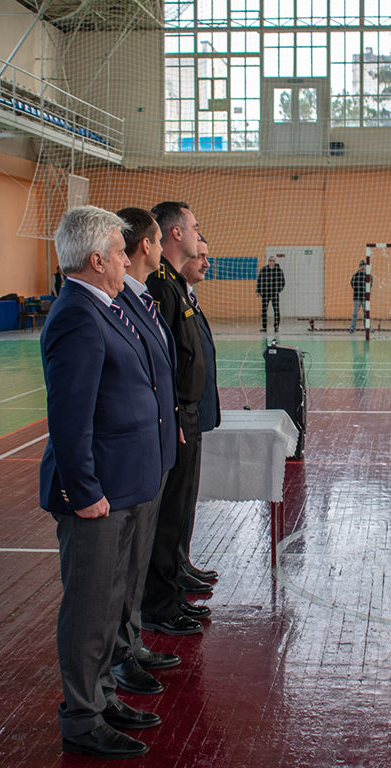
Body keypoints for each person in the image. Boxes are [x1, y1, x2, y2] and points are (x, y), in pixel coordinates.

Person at [38, 206, 171, 759]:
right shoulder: (77, 315)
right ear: (97, 260)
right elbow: (70, 417)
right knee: (90, 608)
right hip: (98, 490)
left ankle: (104, 694)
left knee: (112, 598)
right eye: (119, 251)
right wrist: (85, 491)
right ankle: (82, 716)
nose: (127, 258)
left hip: (124, 482)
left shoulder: (107, 308)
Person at [109, 207, 185, 690]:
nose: (161, 251)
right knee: (119, 566)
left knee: (136, 559)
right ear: (146, 247)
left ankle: (131, 642)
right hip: (130, 451)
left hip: (154, 443)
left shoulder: (142, 300)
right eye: (157, 242)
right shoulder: (123, 302)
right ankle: (118, 655)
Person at [141, 201, 212, 637]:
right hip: (175, 417)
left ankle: (173, 588)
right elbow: (162, 363)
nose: (198, 233)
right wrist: (171, 419)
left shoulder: (175, 284)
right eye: (194, 226)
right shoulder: (161, 286)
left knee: (180, 508)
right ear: (175, 234)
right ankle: (162, 605)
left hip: (188, 413)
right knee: (167, 516)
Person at [178, 235, 221, 584]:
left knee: (186, 497)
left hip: (195, 413)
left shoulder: (189, 297)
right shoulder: (171, 297)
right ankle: (173, 571)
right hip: (181, 416)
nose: (206, 263)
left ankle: (181, 561)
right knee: (176, 499)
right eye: (200, 256)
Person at [256, 256, 285, 332]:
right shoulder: (263, 270)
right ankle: (264, 327)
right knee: (264, 310)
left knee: (276, 310)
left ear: (275, 262)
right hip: (265, 293)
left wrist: (278, 290)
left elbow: (282, 282)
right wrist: (258, 291)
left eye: (273, 260)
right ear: (268, 261)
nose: (271, 262)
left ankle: (276, 326)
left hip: (274, 294)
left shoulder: (279, 271)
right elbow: (259, 280)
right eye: (270, 260)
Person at [349, 260, 368, 333]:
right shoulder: (355, 275)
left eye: (364, 266)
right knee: (355, 313)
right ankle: (352, 328)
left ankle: (367, 328)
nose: (362, 267)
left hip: (365, 298)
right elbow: (352, 284)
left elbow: (370, 284)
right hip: (357, 297)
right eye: (361, 266)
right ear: (359, 267)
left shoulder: (368, 275)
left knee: (366, 313)